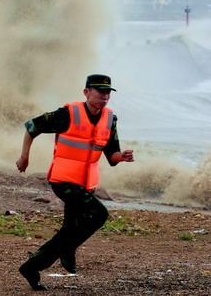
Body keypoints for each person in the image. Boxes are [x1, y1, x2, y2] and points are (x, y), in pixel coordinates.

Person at [16, 74, 134, 291]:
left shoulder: (110, 119)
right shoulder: (67, 114)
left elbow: (112, 154)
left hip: (87, 182)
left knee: (71, 228)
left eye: (108, 92)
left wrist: (122, 156)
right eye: (100, 91)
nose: (105, 96)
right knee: (98, 214)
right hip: (64, 179)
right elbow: (32, 127)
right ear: (87, 92)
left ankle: (64, 254)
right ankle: (34, 265)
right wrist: (25, 156)